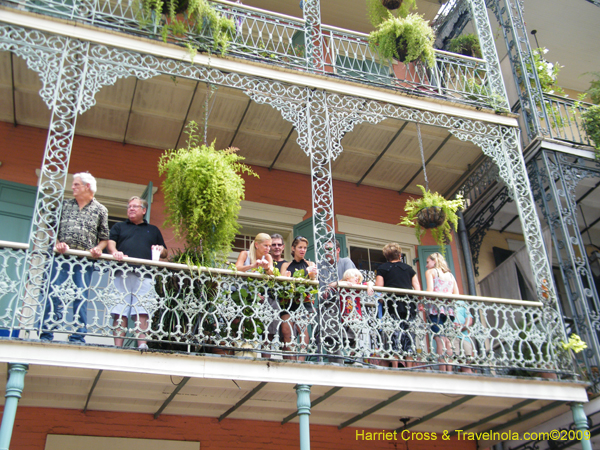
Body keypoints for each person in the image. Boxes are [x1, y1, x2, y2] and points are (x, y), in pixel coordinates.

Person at [40, 172, 109, 343]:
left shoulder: (101, 210)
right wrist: (57, 244)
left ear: (87, 187)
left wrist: (98, 249)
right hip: (61, 257)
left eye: (76, 184)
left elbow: (104, 238)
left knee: (81, 295)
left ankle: (78, 335)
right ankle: (47, 333)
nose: (72, 187)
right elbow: (52, 228)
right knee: (53, 293)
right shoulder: (64, 205)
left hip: (84, 260)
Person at [107, 196, 167, 350]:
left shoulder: (152, 230)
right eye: (129, 206)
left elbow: (165, 252)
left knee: (142, 311)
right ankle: (118, 346)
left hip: (144, 275)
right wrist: (115, 252)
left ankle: (142, 345)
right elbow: (111, 244)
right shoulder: (119, 227)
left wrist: (161, 250)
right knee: (120, 311)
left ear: (144, 210)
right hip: (122, 273)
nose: (131, 209)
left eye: (135, 206)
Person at [375, 243, 420, 368]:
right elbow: (417, 288)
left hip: (391, 305)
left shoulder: (383, 268)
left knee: (393, 336)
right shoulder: (409, 269)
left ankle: (395, 367)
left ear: (386, 256)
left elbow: (379, 288)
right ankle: (409, 367)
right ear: (400, 255)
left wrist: (380, 300)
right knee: (408, 337)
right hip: (408, 306)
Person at [280, 236, 318, 360]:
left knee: (302, 328)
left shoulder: (310, 264)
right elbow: (281, 282)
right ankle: (291, 360)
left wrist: (312, 274)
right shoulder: (286, 265)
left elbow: (314, 280)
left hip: (303, 299)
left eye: (305, 248)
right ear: (293, 248)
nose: (303, 250)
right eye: (300, 247)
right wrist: (286, 277)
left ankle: (301, 360)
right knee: (286, 330)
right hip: (288, 300)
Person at [425, 252, 458, 372]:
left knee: (439, 339)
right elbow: (456, 294)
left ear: (434, 261)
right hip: (449, 310)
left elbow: (430, 291)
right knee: (447, 340)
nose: (426, 265)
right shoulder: (450, 275)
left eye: (428, 262)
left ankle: (442, 369)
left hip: (435, 309)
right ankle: (450, 369)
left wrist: (423, 300)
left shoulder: (431, 272)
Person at [338, 268, 374, 356]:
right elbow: (334, 284)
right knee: (345, 339)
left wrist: (369, 286)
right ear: (347, 277)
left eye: (358, 277)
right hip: (345, 319)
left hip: (356, 318)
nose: (357, 278)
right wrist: (344, 282)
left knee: (355, 338)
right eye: (355, 276)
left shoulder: (357, 287)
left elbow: (370, 282)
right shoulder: (343, 287)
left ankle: (353, 354)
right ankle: (347, 354)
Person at [452, 300, 474, 373]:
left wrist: (462, 326)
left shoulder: (461, 303)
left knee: (466, 360)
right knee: (457, 358)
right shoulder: (443, 301)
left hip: (464, 336)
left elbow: (469, 320)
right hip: (451, 335)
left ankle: (470, 379)